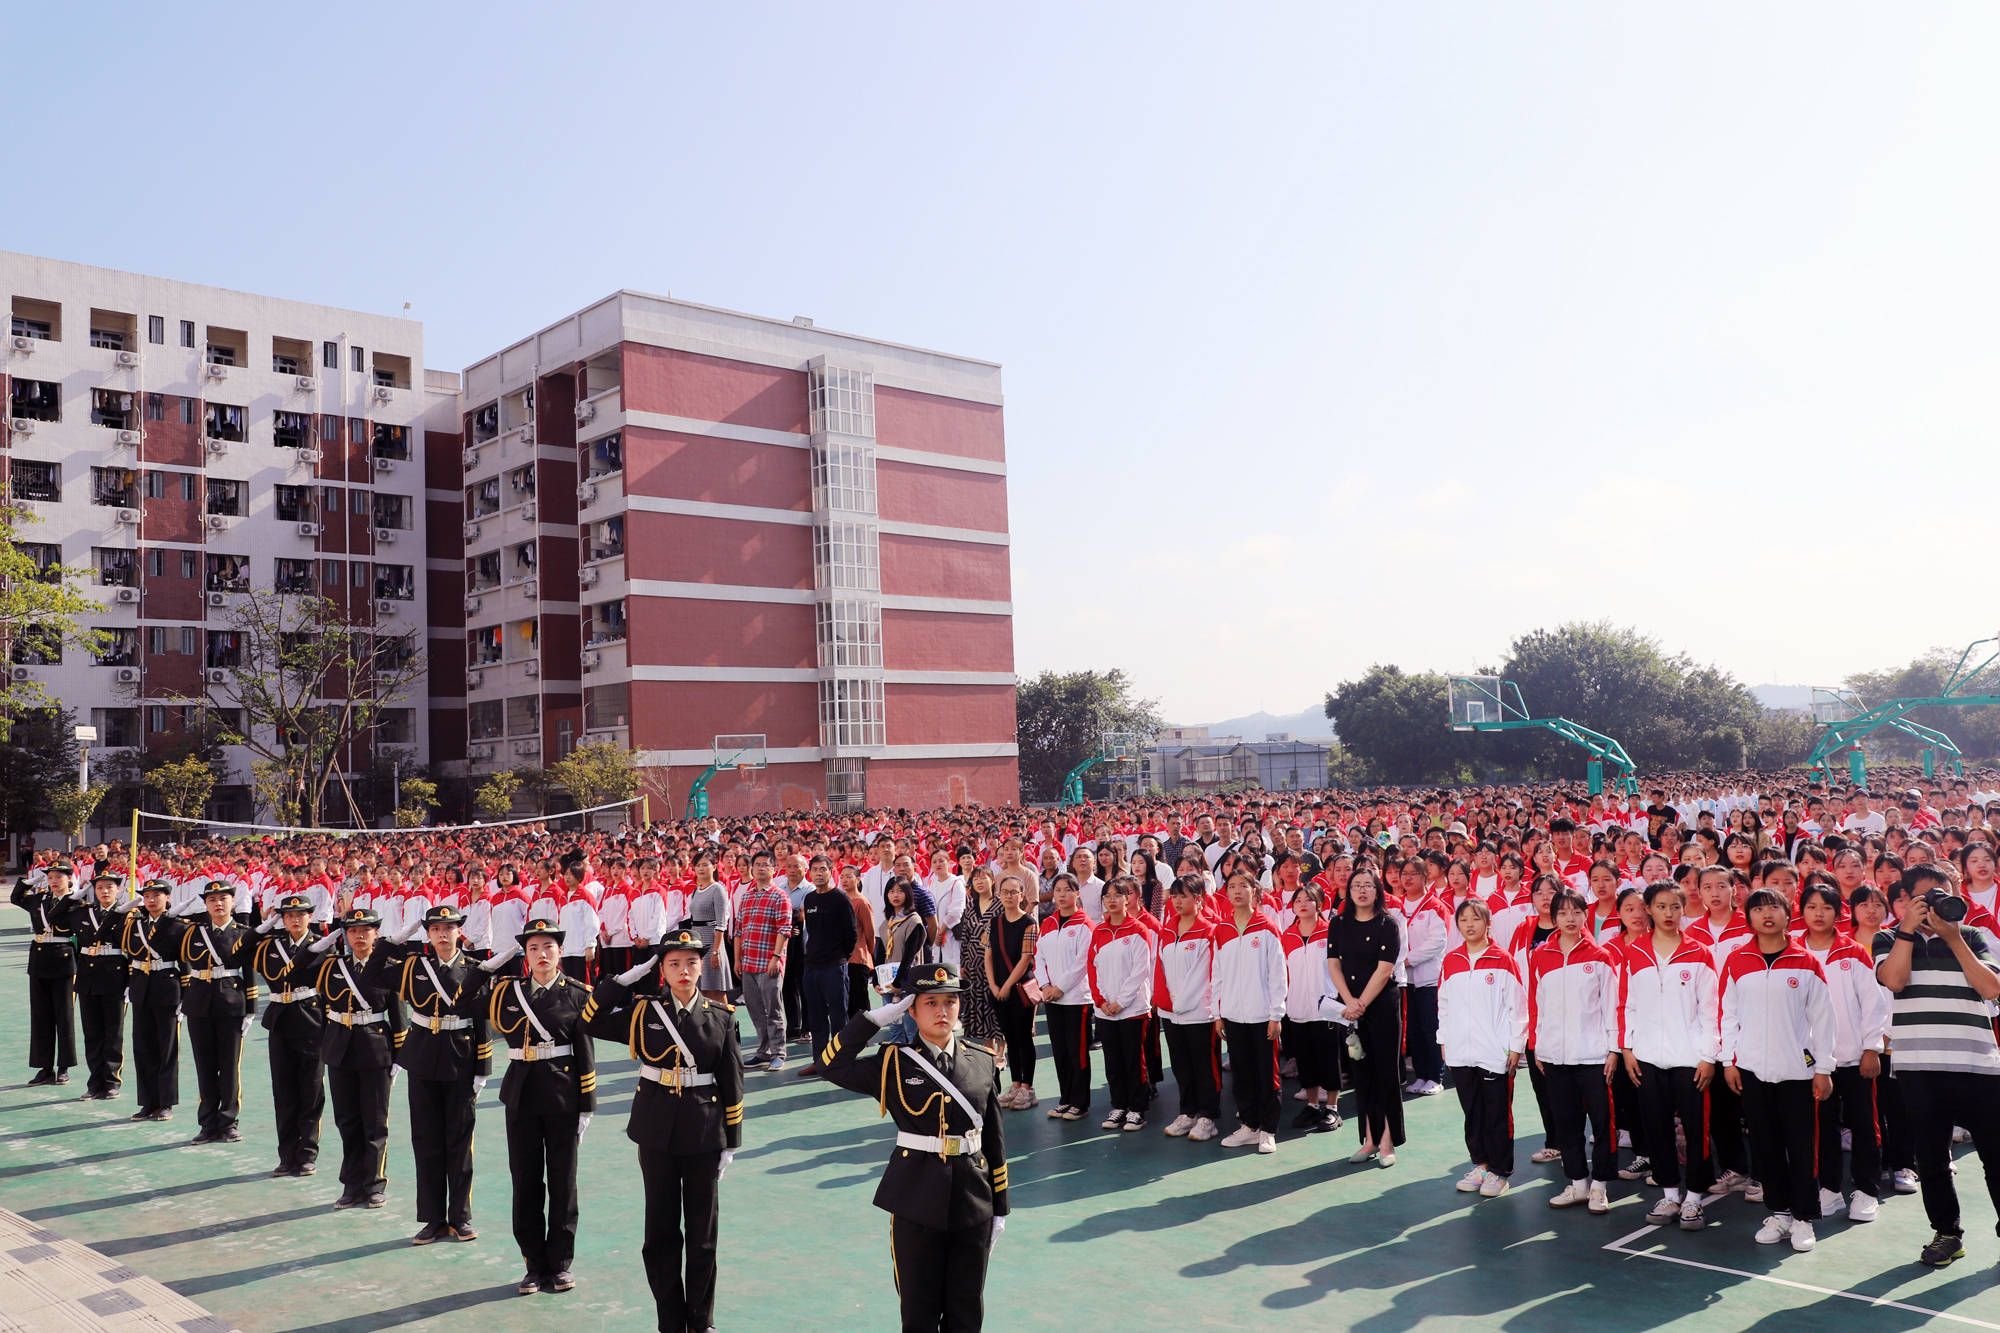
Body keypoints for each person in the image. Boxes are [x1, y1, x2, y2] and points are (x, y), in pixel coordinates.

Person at [817, 964, 1010, 1333]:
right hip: (915, 1198)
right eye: (930, 1003)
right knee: (918, 1311)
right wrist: (871, 1020)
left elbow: (994, 1140)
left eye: (950, 1002)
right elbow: (831, 1065)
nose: (941, 1011)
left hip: (973, 1199)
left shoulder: (982, 1060)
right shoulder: (893, 1061)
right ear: (911, 1010)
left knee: (966, 1308)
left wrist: (1000, 1207)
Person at [584, 927, 745, 1333]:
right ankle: (670, 1320)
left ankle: (702, 1320)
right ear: (663, 970)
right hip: (655, 1132)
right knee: (660, 1232)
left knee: (703, 1235)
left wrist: (732, 1142)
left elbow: (732, 1081)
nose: (684, 970)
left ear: (702, 966)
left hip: (705, 1132)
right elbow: (591, 1018)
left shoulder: (722, 1018)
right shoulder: (644, 1013)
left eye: (691, 962)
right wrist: (624, 979)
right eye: (673, 964)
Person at [1874, 864, 2000, 1268]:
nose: (1936, 905)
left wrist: (1952, 937)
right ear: (1906, 901)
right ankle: (1947, 1234)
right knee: (1931, 1158)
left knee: (1996, 1156)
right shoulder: (1889, 937)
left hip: (1978, 1063)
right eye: (1926, 899)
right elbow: (1894, 980)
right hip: (1919, 1068)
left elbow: (1992, 987)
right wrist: (1909, 930)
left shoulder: (1973, 935)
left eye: (1943, 895)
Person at [1721, 887, 1836, 1252]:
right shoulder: (1738, 961)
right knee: (1766, 1147)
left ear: (1789, 915)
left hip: (1797, 1073)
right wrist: (1730, 1061)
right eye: (1758, 909)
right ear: (1749, 917)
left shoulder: (1806, 962)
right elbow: (1729, 1015)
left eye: (1774, 908)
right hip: (1753, 1071)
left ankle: (1803, 1218)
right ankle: (1779, 1212)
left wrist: (1824, 1067)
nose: (1766, 914)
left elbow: (1823, 1019)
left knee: (1801, 1148)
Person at [488, 919, 597, 1296]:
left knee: (563, 1182)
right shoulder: (510, 993)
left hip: (563, 1095)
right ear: (525, 955)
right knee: (526, 1181)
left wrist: (587, 1105)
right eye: (533, 948)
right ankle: (533, 1264)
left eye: (548, 946)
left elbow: (585, 1053)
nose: (541, 954)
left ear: (559, 952)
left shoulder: (577, 994)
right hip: (520, 1095)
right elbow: (468, 999)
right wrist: (487, 967)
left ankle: (560, 1264)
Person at [1617, 881, 1718, 1230]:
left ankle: (1694, 1198)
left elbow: (1710, 1010)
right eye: (1661, 907)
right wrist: (1628, 1049)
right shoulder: (1634, 953)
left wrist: (1708, 1056)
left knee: (1695, 1130)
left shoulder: (1700, 953)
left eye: (1675, 906)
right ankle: (1670, 1193)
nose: (1669, 913)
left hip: (1690, 1059)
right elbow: (1626, 1005)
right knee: (1656, 1127)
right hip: (1647, 1058)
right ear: (1649, 910)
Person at [397, 904, 496, 1244]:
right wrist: (396, 939)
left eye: (448, 928)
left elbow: (483, 1020)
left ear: (459, 932)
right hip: (423, 1055)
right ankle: (432, 1217)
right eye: (435, 928)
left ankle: (461, 1216)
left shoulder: (474, 969)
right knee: (425, 1141)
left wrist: (482, 1068)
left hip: (460, 1058)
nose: (442, 934)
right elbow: (373, 973)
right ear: (427, 933)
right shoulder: (415, 967)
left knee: (459, 1141)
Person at [1795, 880, 1888, 1223]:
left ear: (1838, 912)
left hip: (1853, 1058)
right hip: (1812, 1062)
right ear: (1801, 911)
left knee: (1865, 1125)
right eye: (1811, 907)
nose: (1819, 914)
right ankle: (1829, 1190)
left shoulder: (1854, 952)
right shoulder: (1793, 951)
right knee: (1822, 1127)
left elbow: (1873, 1005)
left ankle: (1866, 1191)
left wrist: (1871, 1048)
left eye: (1826, 907)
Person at [1527, 888, 1620, 1213]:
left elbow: (1611, 1006)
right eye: (1563, 913)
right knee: (1566, 1122)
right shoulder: (1540, 956)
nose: (1570, 918)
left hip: (1594, 1056)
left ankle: (1600, 1186)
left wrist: (1613, 1050)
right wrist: (1537, 1044)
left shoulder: (1600, 956)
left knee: (1602, 1122)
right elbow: (1535, 1003)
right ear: (1554, 917)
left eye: (1576, 912)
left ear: (1585, 915)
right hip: (1554, 1056)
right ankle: (1578, 1182)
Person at [311, 907, 409, 1210]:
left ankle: (375, 1184)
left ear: (376, 934)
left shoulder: (388, 968)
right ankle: (351, 1185)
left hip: (376, 1049)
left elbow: (399, 1016)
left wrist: (398, 1057)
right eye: (353, 931)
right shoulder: (333, 967)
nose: (359, 936)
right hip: (340, 1048)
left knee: (375, 1122)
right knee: (347, 1120)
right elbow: (321, 999)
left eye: (365, 930)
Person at [1438, 898, 1525, 1198]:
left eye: (1476, 919)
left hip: (1494, 1053)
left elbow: (1517, 1008)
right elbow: (1444, 1005)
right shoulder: (1451, 961)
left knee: (1497, 1113)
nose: (1469, 924)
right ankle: (1481, 1164)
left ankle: (1500, 1171)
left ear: (1488, 923)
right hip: (1461, 1051)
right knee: (1472, 1112)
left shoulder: (1503, 959)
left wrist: (1514, 1046)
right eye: (1463, 920)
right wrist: (1444, 1041)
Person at [1327, 868, 1403, 1165]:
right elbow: (1333, 964)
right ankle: (1369, 1139)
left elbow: (1385, 969)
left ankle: (1387, 1142)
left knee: (1385, 1072)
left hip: (1381, 1005)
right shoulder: (1339, 923)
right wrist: (1349, 1001)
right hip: (1351, 1007)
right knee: (1362, 1073)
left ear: (1377, 890)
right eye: (1356, 885)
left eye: (1368, 885)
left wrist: (1361, 1003)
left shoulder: (1388, 924)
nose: (1362, 891)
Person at [253, 893, 328, 1177]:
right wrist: (262, 927)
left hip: (311, 1020)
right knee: (283, 1092)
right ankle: (286, 1156)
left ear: (310, 916)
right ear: (281, 919)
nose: (295, 920)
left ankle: (307, 1153)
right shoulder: (271, 946)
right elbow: (237, 951)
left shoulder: (321, 946)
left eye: (301, 914)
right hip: (281, 1021)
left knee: (310, 1091)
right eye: (288, 916)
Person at [180, 880, 259, 1144]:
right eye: (212, 900)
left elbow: (249, 973)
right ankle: (207, 1123)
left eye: (223, 898)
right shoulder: (194, 933)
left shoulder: (243, 933)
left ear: (232, 902)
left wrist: (251, 1009)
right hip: (199, 1002)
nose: (218, 903)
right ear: (206, 904)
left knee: (229, 1066)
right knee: (204, 1066)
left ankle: (228, 1121)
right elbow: (184, 964)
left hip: (230, 1002)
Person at [1154, 871, 1220, 1140]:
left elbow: (1207, 973)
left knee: (1205, 1065)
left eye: (1184, 896)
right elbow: (1159, 968)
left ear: (1199, 898)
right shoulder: (1167, 930)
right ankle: (1188, 1111)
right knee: (1181, 1064)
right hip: (1171, 1013)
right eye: (1175, 896)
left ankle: (1208, 1116)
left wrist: (1186, 1002)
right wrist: (1166, 1002)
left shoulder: (1209, 931)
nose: (1178, 901)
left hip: (1199, 1012)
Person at [1087, 876, 1157, 1130]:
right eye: (1107, 896)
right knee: (1112, 1059)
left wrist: (1121, 1001)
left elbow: (1141, 970)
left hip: (1133, 1009)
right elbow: (1093, 969)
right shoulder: (1099, 932)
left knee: (1132, 1059)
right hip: (1106, 1011)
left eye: (1118, 895)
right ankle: (1118, 1106)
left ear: (1128, 898)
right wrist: (1102, 1000)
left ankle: (1137, 1108)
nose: (1112, 900)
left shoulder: (1139, 930)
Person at [55, 871, 130, 1101]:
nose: (104, 892)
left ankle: (111, 1081)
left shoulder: (127, 914)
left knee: (113, 1032)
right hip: (88, 975)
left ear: (118, 889)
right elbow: (55, 919)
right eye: (99, 888)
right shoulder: (82, 912)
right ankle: (94, 1082)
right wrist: (72, 898)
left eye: (109, 887)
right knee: (92, 1033)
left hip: (115, 975)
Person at [121, 879, 187, 1120]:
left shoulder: (178, 927)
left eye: (156, 896)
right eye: (147, 896)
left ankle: (166, 1102)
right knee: (143, 1047)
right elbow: (131, 957)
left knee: (166, 1048)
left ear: (167, 898)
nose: (150, 900)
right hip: (141, 988)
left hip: (167, 988)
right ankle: (148, 1102)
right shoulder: (135, 924)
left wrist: (185, 997)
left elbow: (186, 964)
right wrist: (130, 984)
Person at [1034, 873, 1097, 1122]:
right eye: (1058, 890)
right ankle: (1065, 1099)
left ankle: (1080, 1103)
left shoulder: (1084, 924)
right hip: (1053, 999)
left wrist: (1060, 987)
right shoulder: (1048, 923)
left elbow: (1082, 962)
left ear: (1077, 893)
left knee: (1077, 1051)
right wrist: (1046, 985)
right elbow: (1038, 957)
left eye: (1067, 890)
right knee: (1060, 1050)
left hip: (1076, 999)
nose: (1061, 895)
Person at [12, 861, 78, 1085]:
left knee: (64, 1016)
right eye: (50, 877)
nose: (53, 881)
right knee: (41, 1016)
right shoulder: (39, 899)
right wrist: (25, 883)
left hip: (63, 959)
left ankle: (63, 1067)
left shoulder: (75, 903)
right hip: (39, 959)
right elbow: (15, 898)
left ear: (69, 878)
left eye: (59, 877)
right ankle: (45, 1067)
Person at [1280, 884, 1340, 1131]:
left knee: (1329, 1058)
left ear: (1320, 904)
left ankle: (1333, 1109)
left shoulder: (1330, 933)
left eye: (1308, 899)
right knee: (1305, 1060)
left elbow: (1340, 969)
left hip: (1326, 1007)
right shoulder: (1287, 936)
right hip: (1297, 1008)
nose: (1303, 904)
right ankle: (1313, 1105)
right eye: (1298, 900)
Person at [797, 854, 858, 1081]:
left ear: (831, 871)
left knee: (839, 1016)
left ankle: (841, 1062)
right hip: (811, 967)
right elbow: (811, 932)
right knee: (816, 1017)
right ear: (810, 873)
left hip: (834, 967)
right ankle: (820, 1062)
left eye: (823, 869)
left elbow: (851, 934)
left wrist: (841, 958)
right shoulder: (810, 899)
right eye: (815, 870)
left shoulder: (841, 899)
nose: (819, 873)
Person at [733, 850, 793, 1072]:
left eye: (765, 865)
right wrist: (737, 960)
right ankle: (763, 1051)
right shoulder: (747, 896)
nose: (760, 868)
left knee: (773, 1010)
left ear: (774, 870)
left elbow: (784, 930)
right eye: (756, 864)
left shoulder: (780, 896)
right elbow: (739, 931)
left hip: (769, 963)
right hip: (748, 962)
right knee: (755, 1010)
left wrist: (776, 958)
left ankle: (779, 1053)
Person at [986, 874, 1040, 1110]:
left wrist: (1006, 986)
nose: (1009, 896)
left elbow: (1025, 958)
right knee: (1010, 1037)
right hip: (998, 990)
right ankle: (1015, 1084)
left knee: (1023, 1039)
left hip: (1018, 991)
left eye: (1013, 892)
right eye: (1004, 891)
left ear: (1022, 895)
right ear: (998, 894)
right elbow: (988, 953)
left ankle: (1027, 1088)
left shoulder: (1029, 923)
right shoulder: (995, 921)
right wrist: (993, 985)